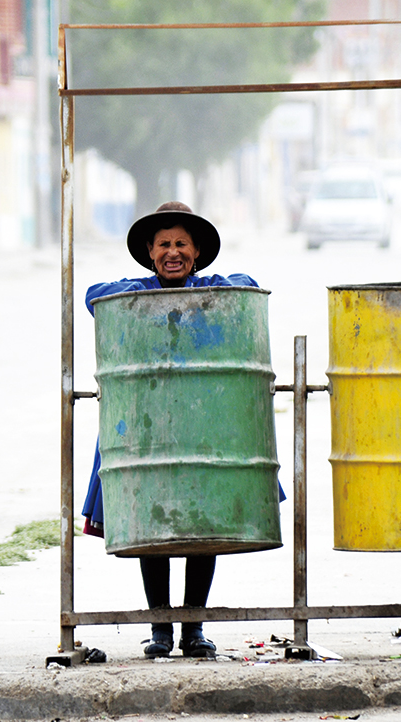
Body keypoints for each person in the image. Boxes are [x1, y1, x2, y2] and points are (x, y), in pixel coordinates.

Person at [81, 201, 263, 659]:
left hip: (202, 430)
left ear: (197, 251)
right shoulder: (134, 291)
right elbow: (92, 294)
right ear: (149, 251)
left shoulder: (213, 290)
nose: (173, 252)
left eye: (182, 243)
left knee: (206, 526)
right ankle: (160, 628)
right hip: (146, 430)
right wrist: (148, 294)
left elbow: (248, 286)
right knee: (152, 528)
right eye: (163, 245)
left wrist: (200, 295)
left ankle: (193, 628)